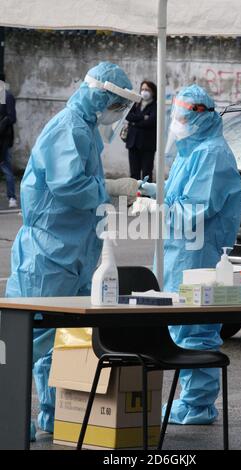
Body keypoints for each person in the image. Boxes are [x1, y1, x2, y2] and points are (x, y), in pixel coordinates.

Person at [5, 61, 141, 439]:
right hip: (48, 253)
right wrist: (112, 189)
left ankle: (52, 415)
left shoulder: (85, 128)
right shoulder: (68, 127)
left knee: (62, 339)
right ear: (101, 96)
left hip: (73, 250)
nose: (117, 111)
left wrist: (116, 189)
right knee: (31, 339)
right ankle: (11, 419)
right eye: (116, 102)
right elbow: (67, 186)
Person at [140, 85, 241, 424]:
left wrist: (160, 205)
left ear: (201, 116)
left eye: (184, 117)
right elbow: (177, 194)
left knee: (195, 328)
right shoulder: (193, 151)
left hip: (198, 253)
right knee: (182, 327)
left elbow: (194, 210)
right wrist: (148, 190)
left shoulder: (212, 153)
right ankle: (191, 401)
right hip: (181, 251)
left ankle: (198, 405)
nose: (178, 124)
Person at [126, 80, 157, 182]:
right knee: (134, 173)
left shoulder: (156, 106)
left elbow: (151, 122)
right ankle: (134, 195)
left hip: (147, 145)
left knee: (146, 173)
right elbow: (128, 116)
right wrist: (143, 117)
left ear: (153, 91)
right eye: (142, 89)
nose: (144, 91)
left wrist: (134, 123)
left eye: (147, 89)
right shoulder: (135, 103)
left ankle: (146, 196)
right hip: (133, 143)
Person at [0, 74, 17, 208]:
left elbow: (11, 117)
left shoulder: (7, 96)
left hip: (4, 139)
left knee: (5, 166)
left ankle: (12, 197)